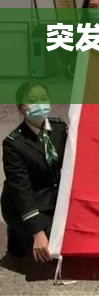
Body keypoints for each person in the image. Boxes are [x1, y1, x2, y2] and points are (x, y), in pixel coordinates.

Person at [1, 82, 68, 262]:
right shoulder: (13, 144)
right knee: (56, 239)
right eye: (32, 100)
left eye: (43, 98)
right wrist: (37, 231)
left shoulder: (59, 128)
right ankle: (20, 232)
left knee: (75, 230)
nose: (40, 104)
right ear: (21, 108)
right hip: (24, 203)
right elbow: (21, 191)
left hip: (53, 197)